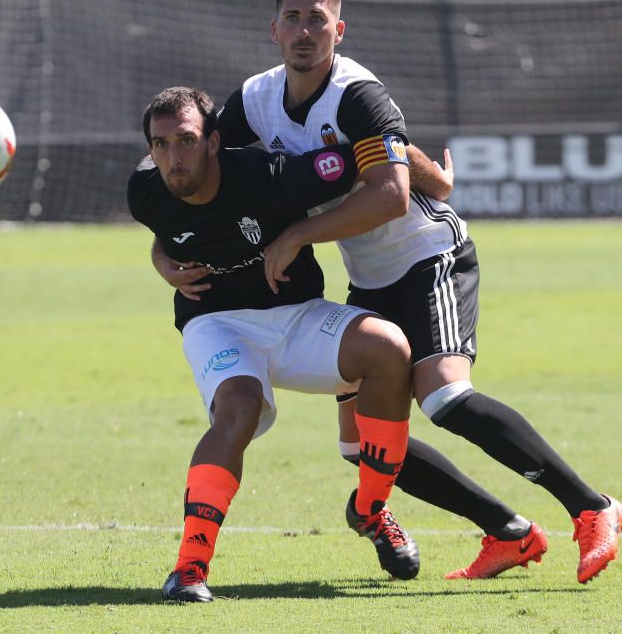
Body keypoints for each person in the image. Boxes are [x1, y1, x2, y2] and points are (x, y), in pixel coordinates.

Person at [155, 0, 622, 585]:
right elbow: (193, 162)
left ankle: (593, 509)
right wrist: (162, 255)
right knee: (364, 446)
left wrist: (297, 234)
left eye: (317, 19)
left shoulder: (357, 93)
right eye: (293, 18)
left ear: (339, 30)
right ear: (273, 30)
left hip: (426, 255)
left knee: (444, 397)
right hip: (369, 276)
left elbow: (389, 196)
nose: (304, 30)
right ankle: (508, 532)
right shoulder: (253, 101)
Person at [129, 86, 422, 603]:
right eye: (160, 144)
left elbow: (368, 152)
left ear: (215, 142)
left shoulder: (272, 174)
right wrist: (160, 260)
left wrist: (302, 233)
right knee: (238, 408)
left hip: (298, 315)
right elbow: (166, 229)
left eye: (187, 140)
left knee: (389, 349)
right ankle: (189, 569)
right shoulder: (145, 191)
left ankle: (371, 510)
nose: (174, 158)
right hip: (216, 323)